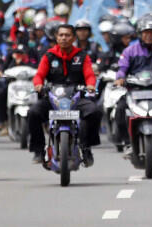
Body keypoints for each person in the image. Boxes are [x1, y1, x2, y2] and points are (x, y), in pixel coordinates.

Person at [27, 24, 101, 166]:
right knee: (33, 113)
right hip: (52, 97)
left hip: (76, 97)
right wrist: (38, 85)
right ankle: (38, 150)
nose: (64, 38)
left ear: (73, 38)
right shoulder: (48, 56)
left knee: (94, 112)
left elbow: (90, 75)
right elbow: (39, 75)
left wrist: (91, 85)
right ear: (56, 37)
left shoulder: (82, 56)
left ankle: (86, 147)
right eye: (61, 35)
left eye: (67, 35)